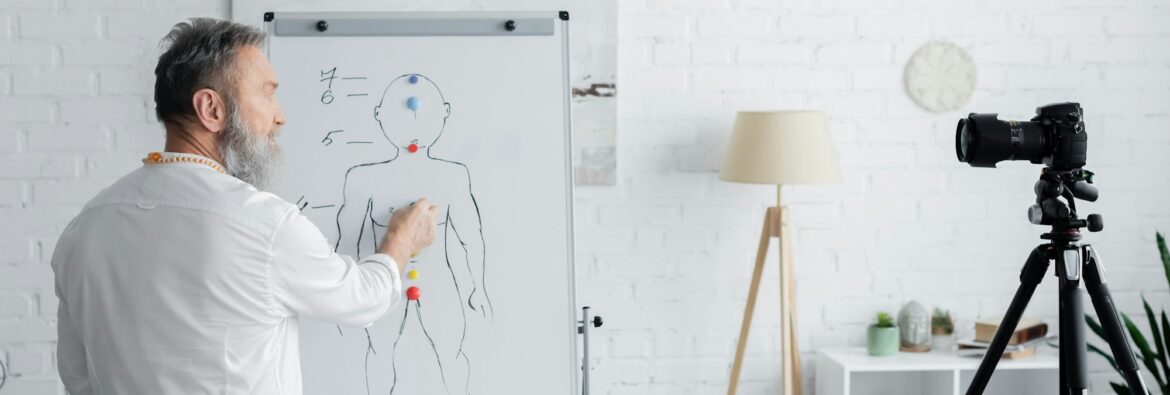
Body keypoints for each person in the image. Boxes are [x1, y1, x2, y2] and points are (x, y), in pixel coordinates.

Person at [48, 18, 435, 394]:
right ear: (211, 109)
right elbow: (360, 299)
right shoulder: (264, 226)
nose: (279, 116)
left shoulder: (85, 228)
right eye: (267, 92)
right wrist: (401, 240)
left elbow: (77, 375)